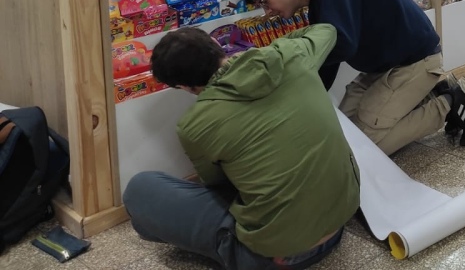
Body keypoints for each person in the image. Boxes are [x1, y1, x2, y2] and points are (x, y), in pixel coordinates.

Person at [122, 24, 359, 270]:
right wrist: (268, 51)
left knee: (141, 189)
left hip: (277, 257)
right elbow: (327, 30)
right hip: (340, 223)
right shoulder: (289, 55)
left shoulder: (195, 123)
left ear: (183, 87)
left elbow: (219, 184)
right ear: (216, 45)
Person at [242, 0, 465, 155]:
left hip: (415, 61)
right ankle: (423, 96)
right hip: (382, 67)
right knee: (346, 131)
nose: (267, 12)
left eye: (265, 1)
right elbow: (328, 61)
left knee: (367, 147)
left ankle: (448, 101)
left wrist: (293, 66)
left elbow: (343, 45)